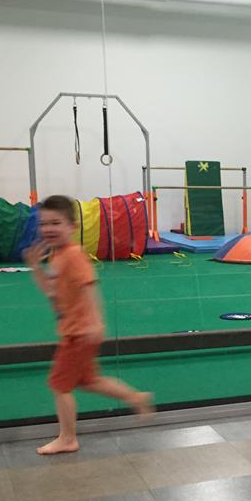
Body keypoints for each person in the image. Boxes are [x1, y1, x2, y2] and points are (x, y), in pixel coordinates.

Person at [24, 195, 152, 455]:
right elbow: (50, 290)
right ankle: (135, 397)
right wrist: (35, 267)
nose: (48, 228)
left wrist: (95, 322)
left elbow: (89, 286)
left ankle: (67, 438)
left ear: (72, 226)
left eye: (56, 223)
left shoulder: (73, 255)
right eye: (44, 223)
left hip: (79, 333)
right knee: (89, 381)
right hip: (73, 330)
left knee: (59, 385)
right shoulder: (57, 256)